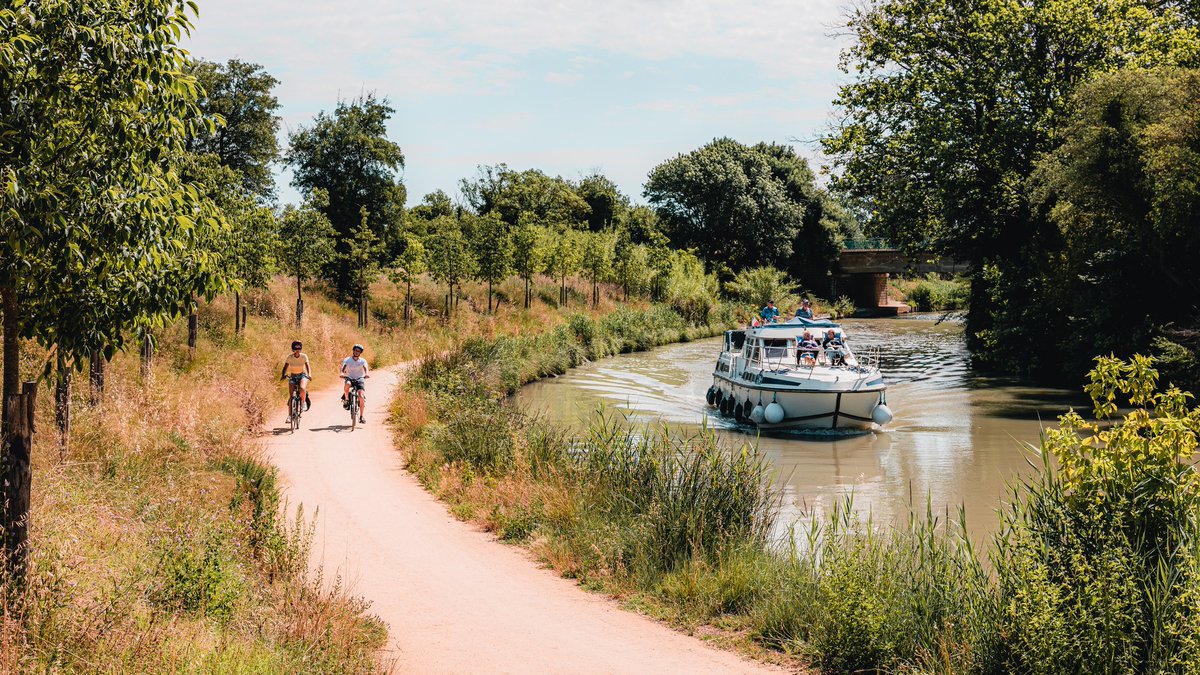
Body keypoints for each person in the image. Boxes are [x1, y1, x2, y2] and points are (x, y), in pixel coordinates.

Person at [280, 340, 312, 422]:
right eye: (296, 348)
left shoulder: (304, 356)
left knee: (302, 388)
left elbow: (307, 366)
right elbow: (285, 367)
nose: (297, 350)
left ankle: (303, 402)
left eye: (299, 348)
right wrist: (283, 375)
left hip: (302, 375)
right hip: (293, 376)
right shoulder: (290, 357)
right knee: (291, 396)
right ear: (293, 349)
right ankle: (290, 416)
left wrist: (310, 374)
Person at [341, 343, 371, 425]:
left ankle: (361, 416)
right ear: (353, 351)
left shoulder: (362, 361)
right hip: (349, 377)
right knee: (347, 384)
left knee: (361, 396)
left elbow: (365, 368)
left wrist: (366, 374)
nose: (357, 352)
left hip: (360, 379)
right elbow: (343, 367)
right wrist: (342, 373)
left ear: (360, 352)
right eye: (355, 350)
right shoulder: (347, 359)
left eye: (358, 351)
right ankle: (346, 400)